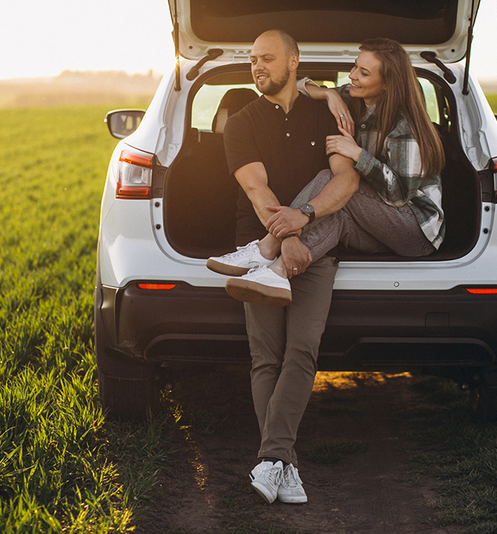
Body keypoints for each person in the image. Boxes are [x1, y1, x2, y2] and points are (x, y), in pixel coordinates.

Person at [209, 29, 360, 504]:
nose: (257, 67)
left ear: (294, 62)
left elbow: (346, 180)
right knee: (266, 357)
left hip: (316, 249)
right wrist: (287, 238)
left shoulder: (327, 114)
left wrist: (305, 223)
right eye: (253, 59)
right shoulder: (242, 122)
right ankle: (283, 462)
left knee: (303, 351)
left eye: (267, 59)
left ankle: (273, 460)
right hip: (259, 251)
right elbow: (257, 189)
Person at [210, 37, 446, 307]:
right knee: (337, 214)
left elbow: (400, 194)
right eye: (355, 66)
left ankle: (266, 246)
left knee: (329, 178)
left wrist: (358, 154)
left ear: (387, 84)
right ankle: (276, 273)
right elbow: (297, 85)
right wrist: (329, 94)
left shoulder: (405, 128)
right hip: (378, 225)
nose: (352, 76)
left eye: (363, 73)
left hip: (414, 230)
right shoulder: (354, 96)